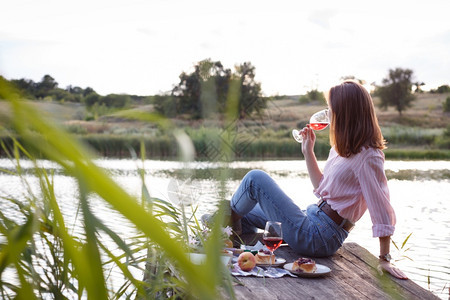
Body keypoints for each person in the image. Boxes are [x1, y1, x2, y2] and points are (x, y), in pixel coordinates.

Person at [229, 81, 407, 279]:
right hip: (312, 219)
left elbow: (381, 208)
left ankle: (226, 223)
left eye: (330, 109)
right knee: (244, 213)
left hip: (320, 236)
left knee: (256, 179)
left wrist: (384, 258)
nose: (327, 114)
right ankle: (233, 233)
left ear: (345, 112)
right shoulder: (343, 149)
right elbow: (321, 188)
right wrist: (308, 152)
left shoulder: (368, 156)